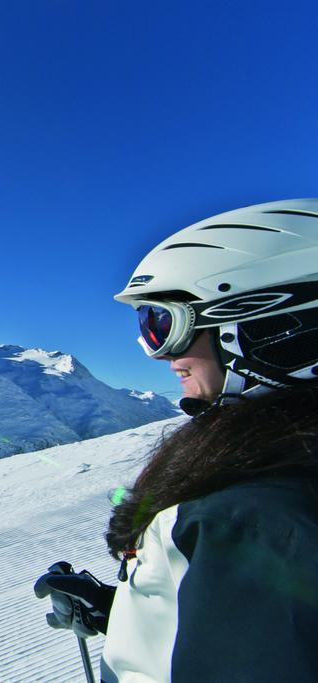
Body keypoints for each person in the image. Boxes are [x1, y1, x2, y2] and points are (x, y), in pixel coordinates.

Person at [34, 199, 318, 681]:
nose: (164, 358)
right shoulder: (273, 471)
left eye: (166, 325)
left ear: (266, 323)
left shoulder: (251, 520)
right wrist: (122, 610)